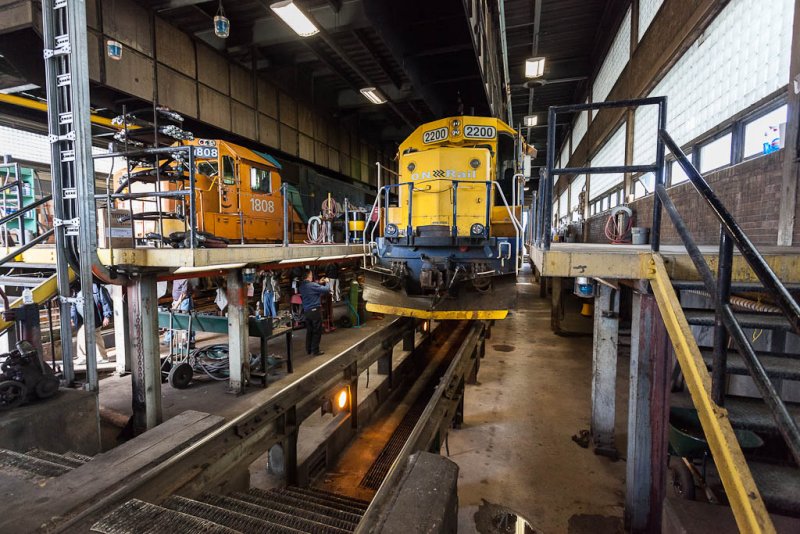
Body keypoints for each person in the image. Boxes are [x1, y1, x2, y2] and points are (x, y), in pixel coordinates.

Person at [70, 283, 113, 365]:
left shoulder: (97, 288)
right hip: (85, 319)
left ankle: (102, 357)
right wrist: (72, 317)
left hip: (95, 317)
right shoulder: (76, 290)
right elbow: (73, 304)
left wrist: (107, 316)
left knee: (95, 335)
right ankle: (85, 357)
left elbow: (105, 301)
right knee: (82, 335)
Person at [299, 269, 331, 356]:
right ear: (309, 275)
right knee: (317, 331)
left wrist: (319, 283)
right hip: (315, 311)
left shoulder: (302, 286)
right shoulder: (312, 285)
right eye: (311, 274)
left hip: (307, 312)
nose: (312, 275)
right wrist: (327, 282)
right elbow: (326, 289)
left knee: (310, 331)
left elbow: (312, 287)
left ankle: (308, 349)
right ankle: (315, 351)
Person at [163, 278, 196, 346]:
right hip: (177, 301)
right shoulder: (175, 277)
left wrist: (176, 305)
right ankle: (168, 339)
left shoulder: (185, 279)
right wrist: (174, 301)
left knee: (186, 320)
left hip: (184, 301)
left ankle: (189, 340)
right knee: (174, 319)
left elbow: (184, 294)